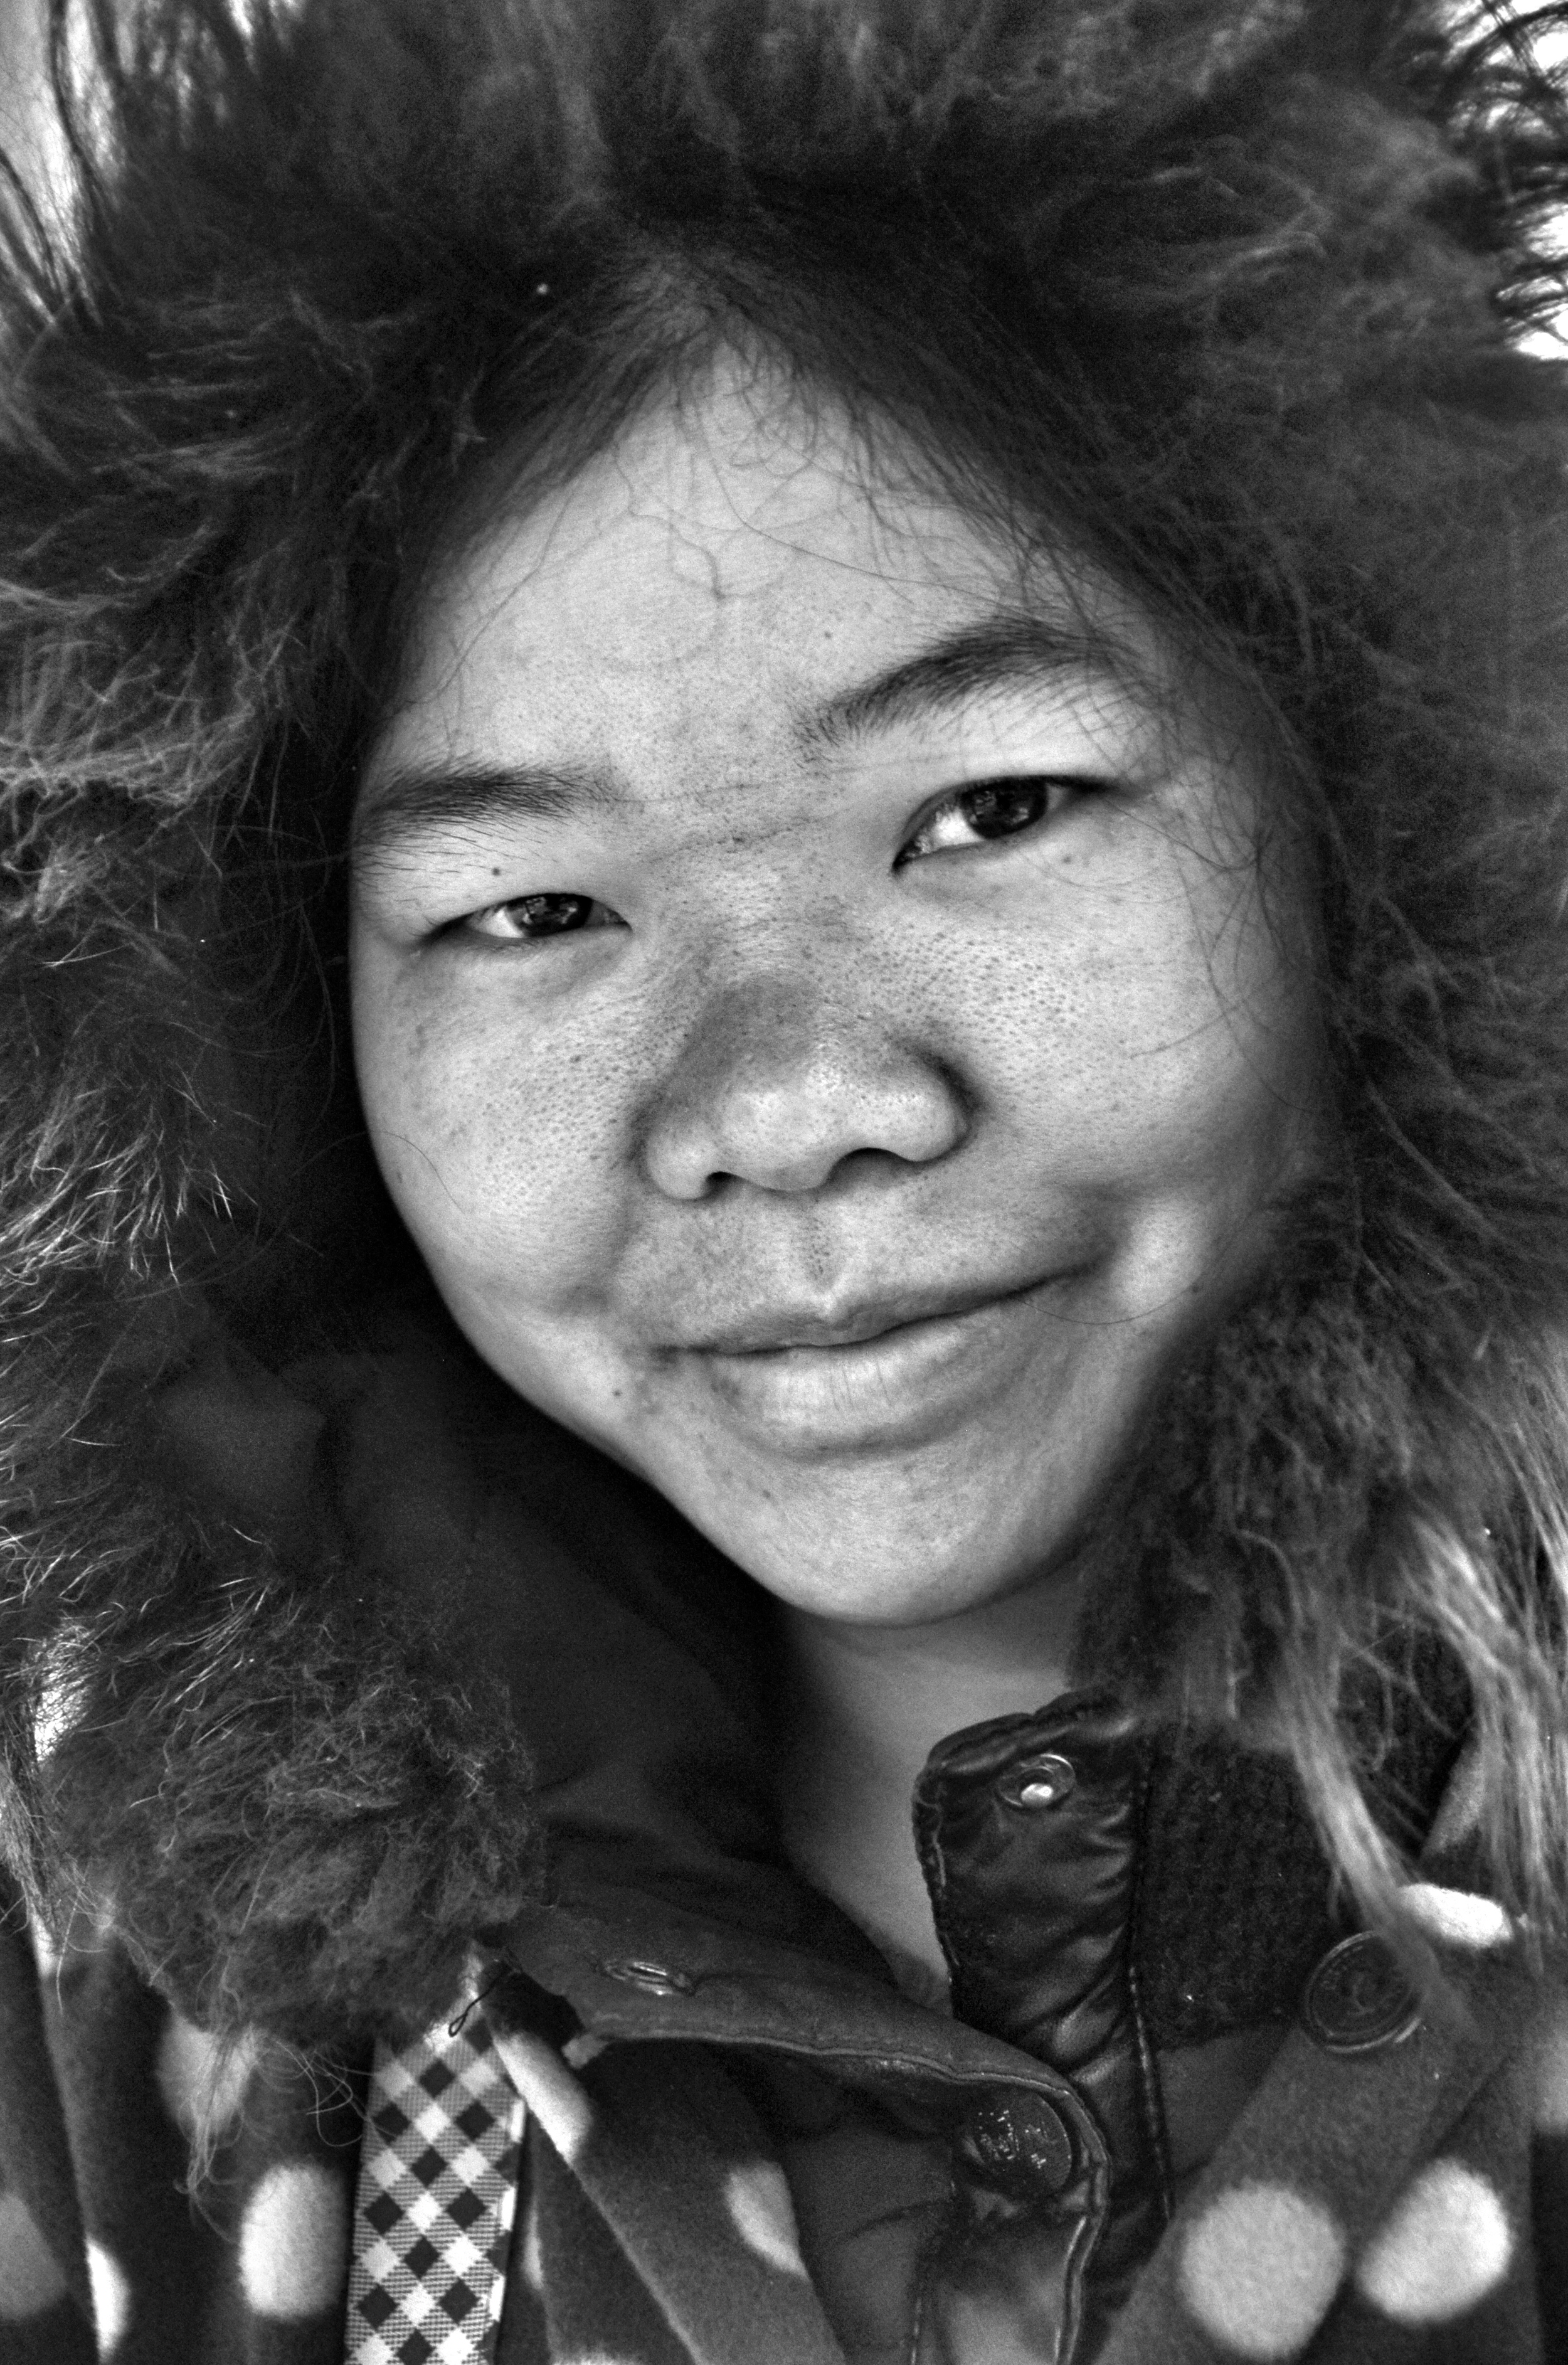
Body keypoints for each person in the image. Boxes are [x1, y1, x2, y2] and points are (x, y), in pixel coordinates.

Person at [1, 0, 1566, 2357]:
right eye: (529, 911)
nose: (787, 1100)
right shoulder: (123, 2012)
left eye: (994, 809)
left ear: (1391, 829)